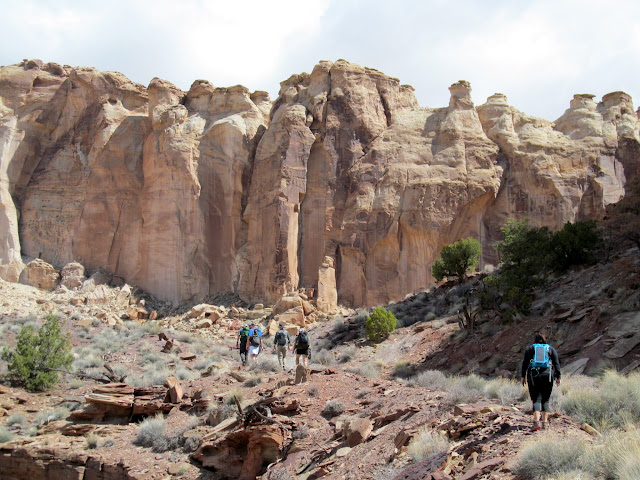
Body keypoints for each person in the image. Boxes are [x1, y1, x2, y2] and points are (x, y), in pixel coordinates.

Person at [521, 333, 561, 431]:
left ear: (535, 340)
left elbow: (525, 363)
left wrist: (523, 376)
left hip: (533, 375)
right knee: (545, 399)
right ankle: (545, 423)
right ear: (544, 340)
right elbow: (556, 364)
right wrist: (558, 377)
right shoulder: (550, 349)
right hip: (548, 375)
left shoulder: (530, 349)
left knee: (536, 399)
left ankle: (536, 422)